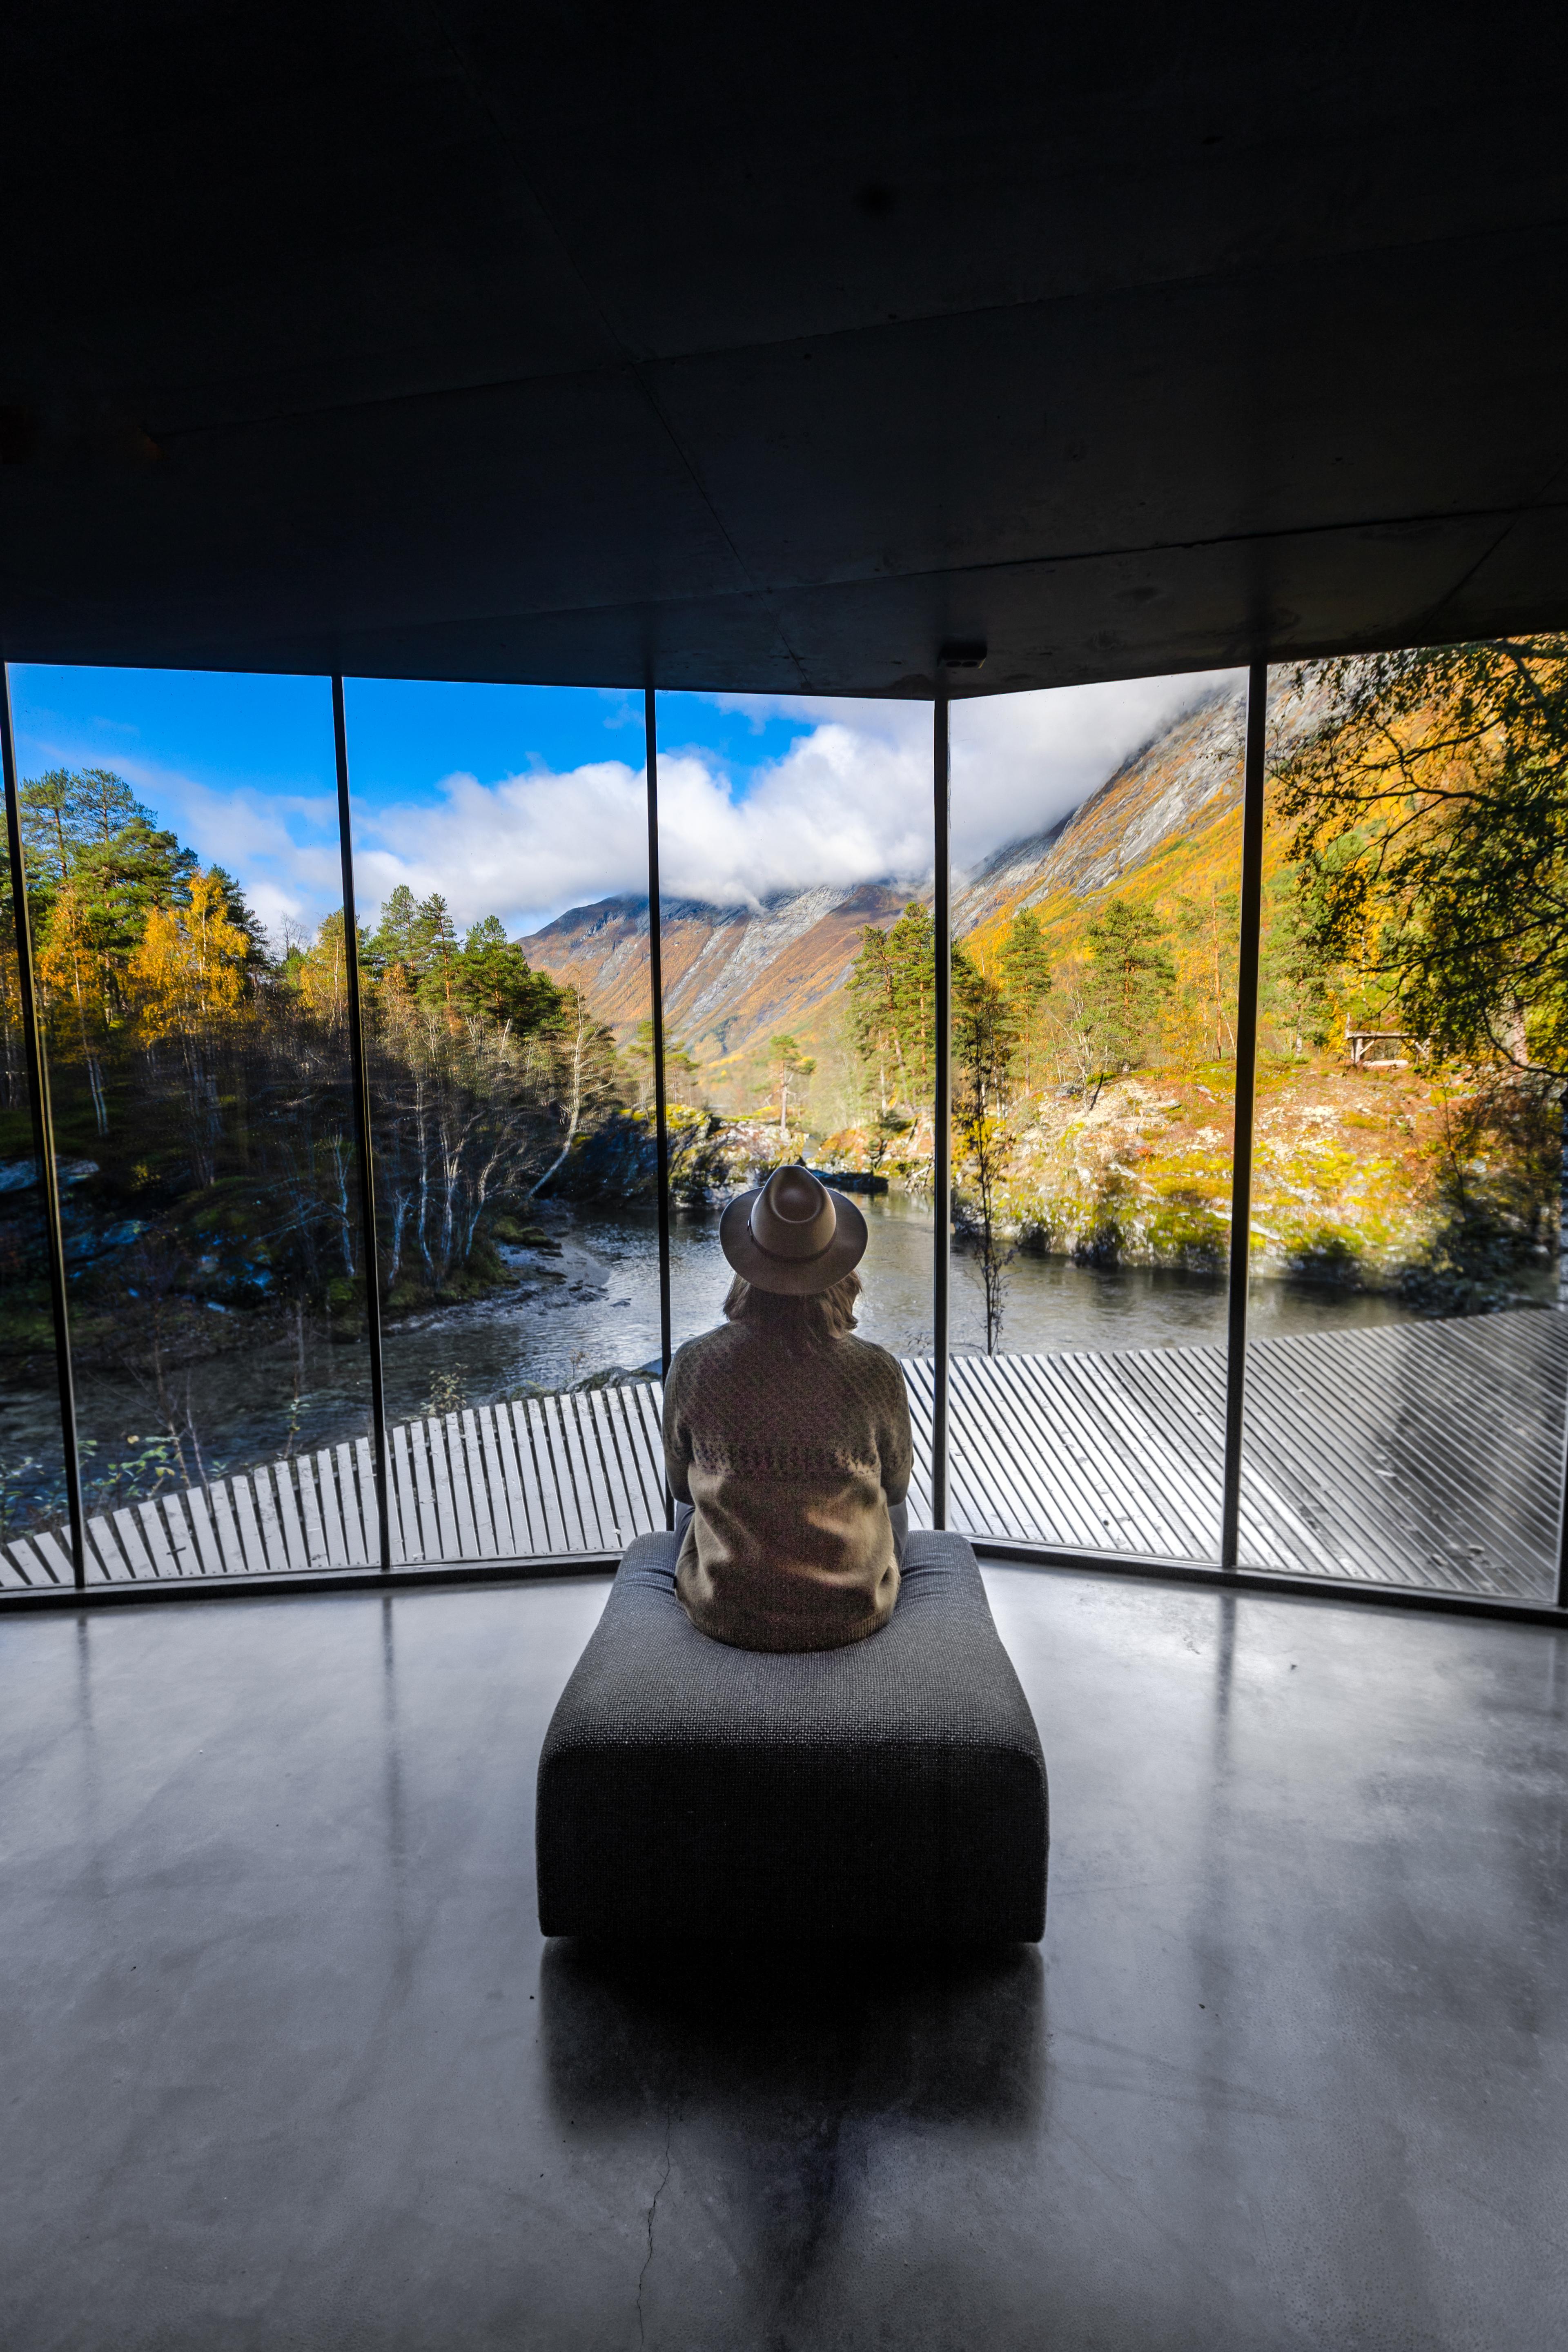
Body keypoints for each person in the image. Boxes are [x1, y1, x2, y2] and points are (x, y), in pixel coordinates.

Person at [661, 1163, 914, 1652]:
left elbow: (680, 1489)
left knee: (688, 1507)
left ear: (745, 1266)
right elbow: (897, 1487)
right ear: (839, 1266)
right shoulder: (876, 1371)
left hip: (726, 1608)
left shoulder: (695, 1364)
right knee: (891, 1509)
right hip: (851, 1610)